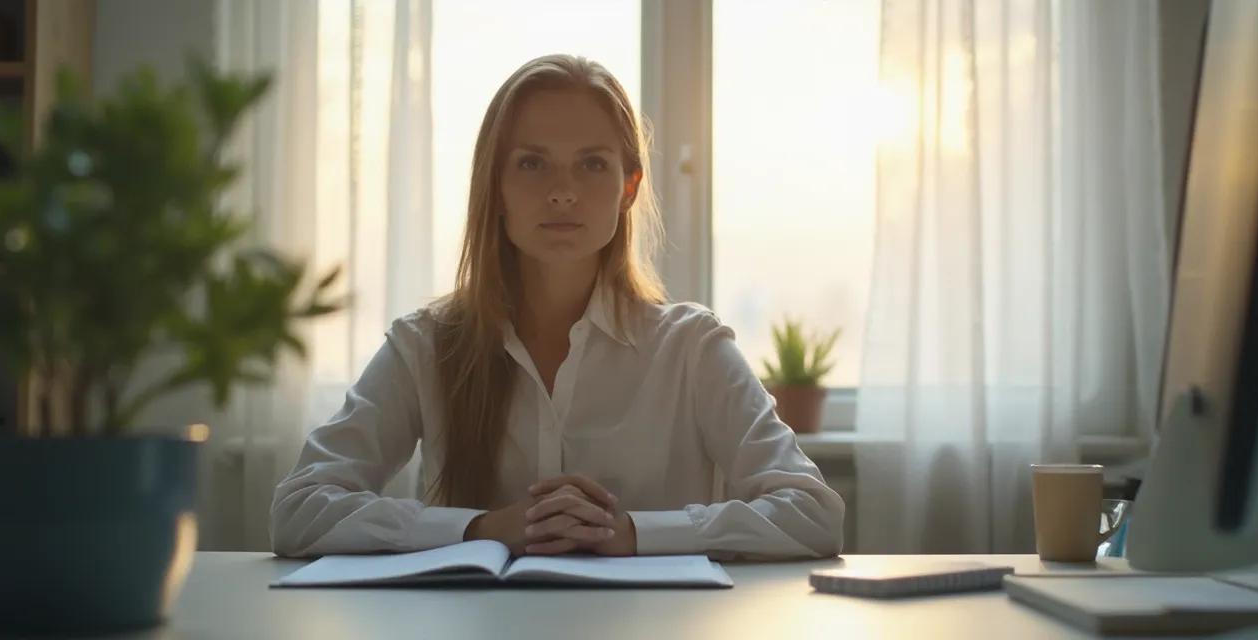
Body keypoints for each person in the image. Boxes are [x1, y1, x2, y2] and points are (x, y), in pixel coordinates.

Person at [271, 54, 844, 560]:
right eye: (532, 162)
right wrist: (481, 529)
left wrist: (634, 534)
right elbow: (298, 510)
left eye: (592, 163)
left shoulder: (691, 347)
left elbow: (814, 513)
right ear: (494, 187)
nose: (562, 191)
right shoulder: (425, 343)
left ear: (629, 189)